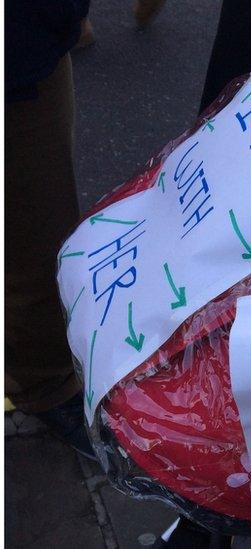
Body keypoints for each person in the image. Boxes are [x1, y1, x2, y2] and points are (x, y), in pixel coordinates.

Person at [5, 0, 94, 458]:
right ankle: (45, 383)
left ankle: (45, 381)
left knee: (39, 236)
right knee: (35, 240)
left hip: (24, 51)